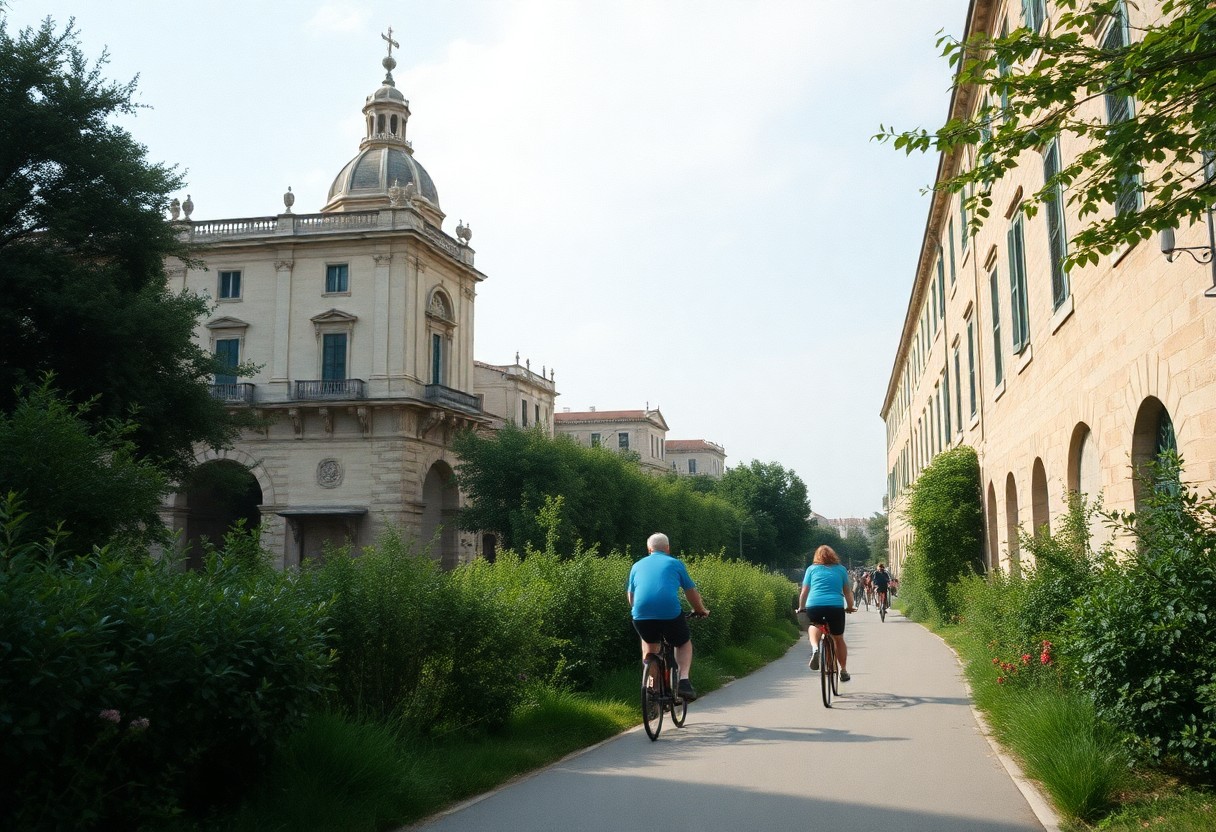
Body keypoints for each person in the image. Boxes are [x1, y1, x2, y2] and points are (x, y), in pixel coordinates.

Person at [627, 532, 710, 701]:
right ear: (668, 548)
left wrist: (642, 612)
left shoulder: (637, 565)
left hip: (641, 614)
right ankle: (684, 681)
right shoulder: (675, 563)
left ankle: (650, 685)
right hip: (669, 613)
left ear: (649, 549)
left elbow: (631, 597)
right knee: (683, 643)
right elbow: (691, 593)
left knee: (649, 645)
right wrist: (700, 610)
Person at [796, 545, 855, 682]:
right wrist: (850, 606)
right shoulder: (841, 569)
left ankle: (815, 648)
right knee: (838, 638)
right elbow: (847, 591)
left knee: (815, 625)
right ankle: (844, 671)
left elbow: (804, 592)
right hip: (835, 607)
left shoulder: (811, 569)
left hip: (814, 605)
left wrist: (801, 607)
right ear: (833, 556)